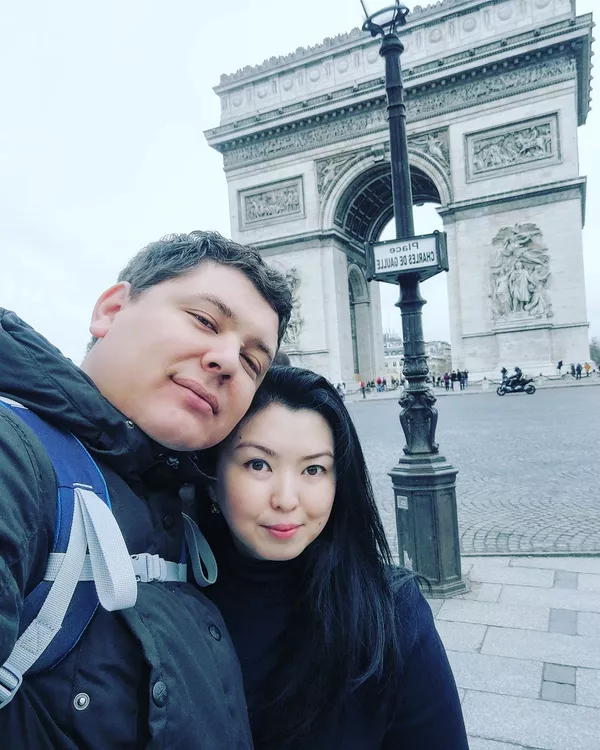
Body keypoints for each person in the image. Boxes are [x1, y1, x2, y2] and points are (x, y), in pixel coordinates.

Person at [0, 231, 292, 749]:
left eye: (253, 362)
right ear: (111, 310)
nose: (228, 361)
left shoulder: (192, 501)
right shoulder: (12, 455)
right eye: (205, 320)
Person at [199, 366, 468, 750]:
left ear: (339, 482)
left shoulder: (394, 615)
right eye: (258, 464)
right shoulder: (162, 603)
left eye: (313, 469)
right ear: (211, 478)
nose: (286, 499)